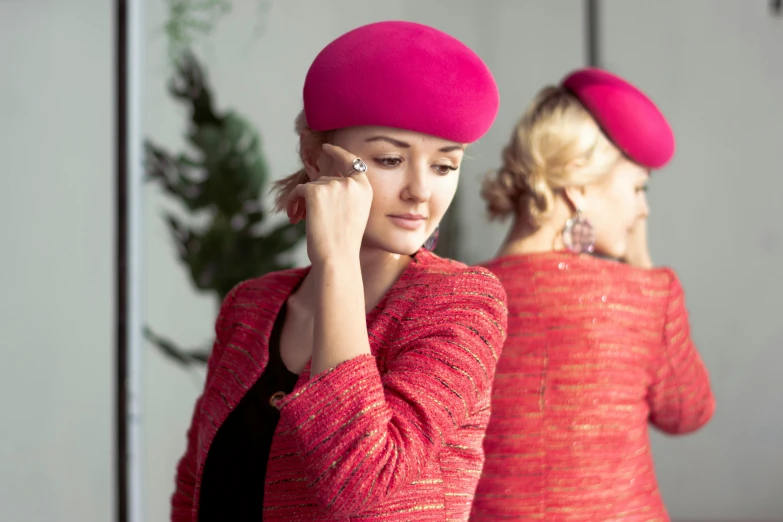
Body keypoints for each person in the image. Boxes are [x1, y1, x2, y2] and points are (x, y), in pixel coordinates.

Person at [170, 20, 508, 522]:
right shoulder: (251, 306)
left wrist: (337, 262)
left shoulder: (462, 304)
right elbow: (193, 487)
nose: (421, 190)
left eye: (444, 166)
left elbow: (360, 486)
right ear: (314, 156)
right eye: (391, 158)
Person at [469, 67, 716, 521]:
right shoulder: (646, 295)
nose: (644, 209)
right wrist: (642, 265)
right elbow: (688, 412)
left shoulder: (455, 299)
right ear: (579, 184)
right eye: (638, 187)